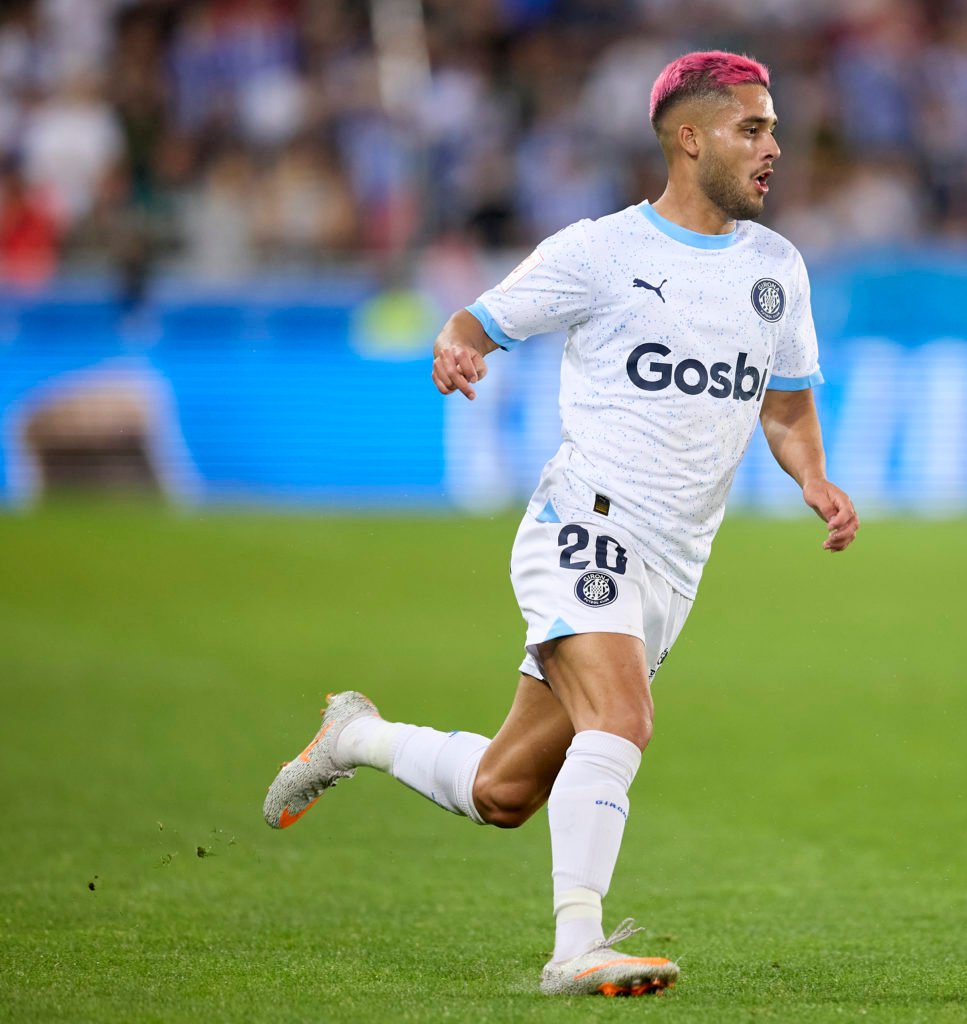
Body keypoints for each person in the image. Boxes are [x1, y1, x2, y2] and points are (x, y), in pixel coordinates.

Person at [263, 50, 859, 997]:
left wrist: (815, 480)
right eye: (754, 128)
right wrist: (457, 346)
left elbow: (784, 403)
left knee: (506, 792)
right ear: (689, 137)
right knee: (623, 718)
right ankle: (576, 946)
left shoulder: (777, 272)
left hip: (675, 566)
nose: (774, 147)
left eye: (774, 128)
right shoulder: (602, 251)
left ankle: (354, 738)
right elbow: (481, 318)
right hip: (586, 522)